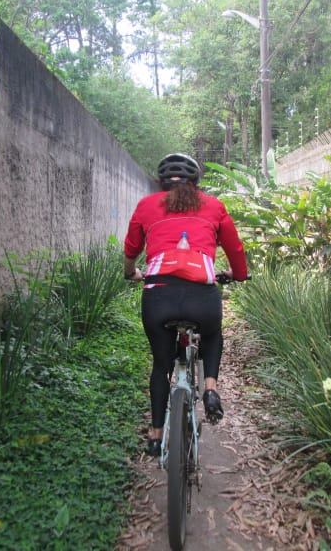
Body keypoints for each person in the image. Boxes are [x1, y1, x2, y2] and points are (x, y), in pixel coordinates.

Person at [123, 153, 249, 457]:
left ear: (161, 182)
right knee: (212, 334)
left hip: (158, 298)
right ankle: (210, 388)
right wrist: (238, 274)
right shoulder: (214, 205)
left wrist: (131, 273)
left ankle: (155, 436)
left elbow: (131, 248)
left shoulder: (146, 205)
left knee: (161, 366)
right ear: (196, 182)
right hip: (201, 297)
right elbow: (235, 248)